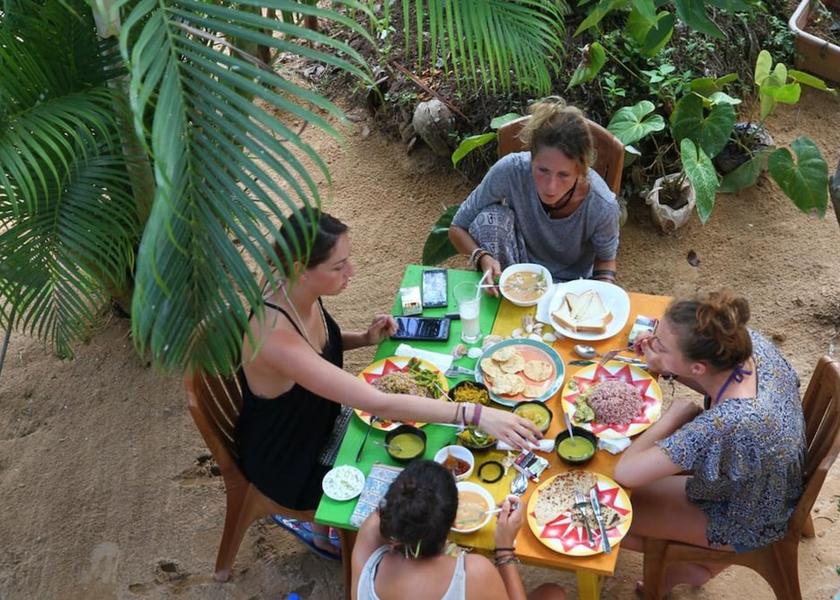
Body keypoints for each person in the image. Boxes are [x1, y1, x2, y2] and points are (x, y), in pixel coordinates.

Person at [235, 210, 541, 557]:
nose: (351, 272)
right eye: (339, 267)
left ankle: (324, 531)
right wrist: (475, 414)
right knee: (417, 501)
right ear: (299, 269)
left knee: (431, 449)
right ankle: (321, 532)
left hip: (321, 421)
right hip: (293, 459)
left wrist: (364, 338)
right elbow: (376, 402)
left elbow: (315, 351)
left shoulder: (296, 289)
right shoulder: (275, 337)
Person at [613, 290, 804, 594]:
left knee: (613, 513)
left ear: (698, 367)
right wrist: (666, 364)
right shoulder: (743, 343)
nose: (651, 344)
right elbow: (711, 381)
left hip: (747, 515)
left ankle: (694, 566)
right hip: (770, 476)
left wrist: (675, 415)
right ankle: (696, 563)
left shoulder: (724, 424)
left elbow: (626, 472)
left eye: (660, 344)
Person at [448, 98, 620, 290]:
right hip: (516, 274)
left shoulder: (602, 204)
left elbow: (606, 259)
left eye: (564, 175)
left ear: (581, 170)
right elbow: (457, 227)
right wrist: (481, 257)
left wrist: (603, 292)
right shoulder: (511, 171)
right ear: (531, 157)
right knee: (491, 217)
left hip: (571, 287)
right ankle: (499, 286)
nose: (551, 187)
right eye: (542, 170)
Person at [351, 460, 566, 600]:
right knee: (554, 594)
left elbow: (383, 513)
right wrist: (505, 550)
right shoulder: (475, 572)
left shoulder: (369, 538)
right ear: (454, 523)